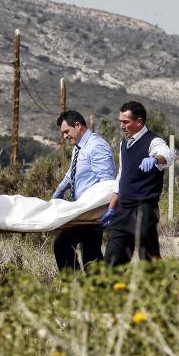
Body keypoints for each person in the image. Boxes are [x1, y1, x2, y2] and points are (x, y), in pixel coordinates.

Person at [99, 101, 175, 266]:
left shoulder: (153, 141)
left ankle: (162, 291)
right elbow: (121, 176)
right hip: (122, 211)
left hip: (144, 211)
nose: (122, 126)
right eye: (120, 122)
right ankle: (111, 291)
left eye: (125, 122)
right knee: (111, 263)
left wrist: (155, 159)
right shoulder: (123, 143)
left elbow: (167, 155)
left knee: (149, 261)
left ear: (139, 122)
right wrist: (112, 208)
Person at [52, 110, 115, 270]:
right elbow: (72, 173)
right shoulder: (78, 147)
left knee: (64, 244)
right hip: (82, 210)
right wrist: (59, 191)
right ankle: (89, 291)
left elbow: (106, 182)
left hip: (93, 212)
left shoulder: (97, 146)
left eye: (67, 131)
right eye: (63, 133)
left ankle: (77, 289)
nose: (65, 136)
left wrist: (107, 211)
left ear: (78, 125)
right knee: (90, 254)